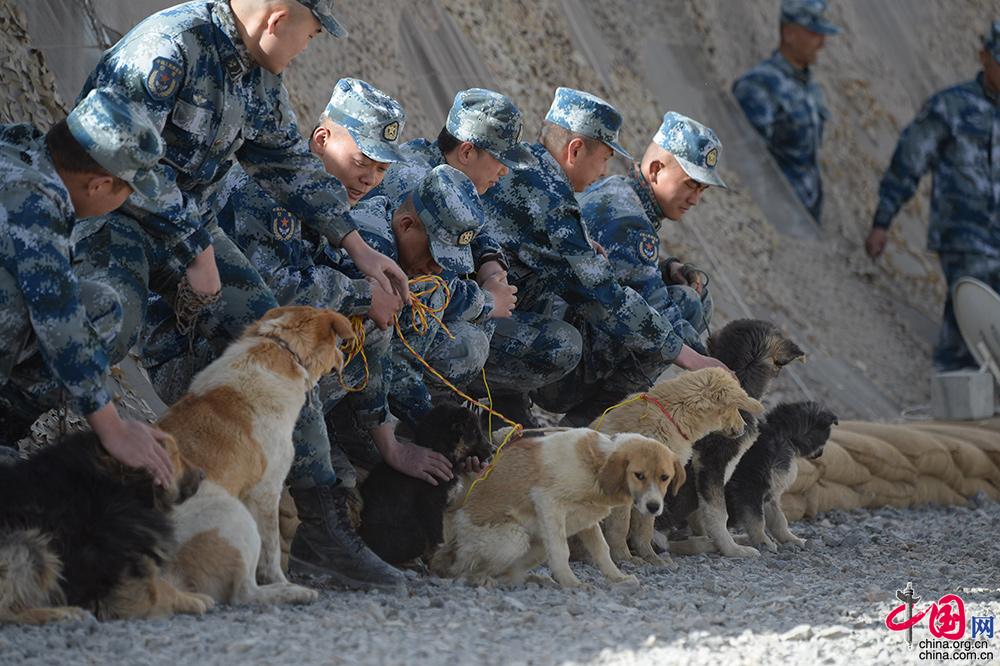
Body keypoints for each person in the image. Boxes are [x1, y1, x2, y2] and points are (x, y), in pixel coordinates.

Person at [72, 0, 410, 590]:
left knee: (280, 344)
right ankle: (34, 453)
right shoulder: (172, 47)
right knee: (107, 320)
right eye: (309, 34)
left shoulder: (258, 76)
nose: (306, 48)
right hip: (117, 218)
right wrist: (194, 247)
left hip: (193, 233)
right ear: (278, 19)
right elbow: (115, 152)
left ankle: (318, 526)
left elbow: (288, 164)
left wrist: (360, 248)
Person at [481, 87, 728, 425]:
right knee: (674, 312)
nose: (606, 167)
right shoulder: (563, 205)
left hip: (489, 312)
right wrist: (692, 358)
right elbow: (608, 299)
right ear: (576, 149)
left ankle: (505, 408)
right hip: (481, 329)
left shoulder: (530, 169)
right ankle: (585, 426)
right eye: (606, 156)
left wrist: (665, 267)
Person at [0, 88, 173, 483]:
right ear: (98, 185)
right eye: (127, 192)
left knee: (96, 304)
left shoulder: (19, 146)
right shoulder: (35, 204)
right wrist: (113, 429)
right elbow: (58, 320)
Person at [365, 88, 533, 427]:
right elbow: (432, 289)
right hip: (380, 315)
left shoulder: (436, 163)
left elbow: (478, 229)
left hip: (393, 311)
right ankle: (397, 424)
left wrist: (492, 266)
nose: (504, 173)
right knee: (470, 343)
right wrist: (487, 301)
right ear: (468, 151)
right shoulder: (416, 179)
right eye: (500, 160)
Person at [322, 165, 487, 481]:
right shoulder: (372, 249)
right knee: (382, 464)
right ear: (407, 224)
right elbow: (380, 359)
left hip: (360, 374)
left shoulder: (415, 249)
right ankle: (327, 434)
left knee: (468, 340)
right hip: (314, 378)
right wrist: (436, 428)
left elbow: (448, 294)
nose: (438, 269)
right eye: (436, 255)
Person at [568, 111, 727, 423]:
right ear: (656, 169)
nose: (695, 199)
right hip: (565, 359)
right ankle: (590, 420)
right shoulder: (630, 221)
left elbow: (627, 269)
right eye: (691, 185)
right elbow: (657, 311)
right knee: (686, 304)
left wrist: (669, 267)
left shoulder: (620, 190)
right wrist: (715, 371)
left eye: (702, 190)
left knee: (692, 295)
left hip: (572, 329)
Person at [866, 20, 1000, 372]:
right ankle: (954, 401)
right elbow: (909, 162)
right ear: (984, 56)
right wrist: (883, 221)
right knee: (968, 318)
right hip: (966, 238)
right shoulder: (950, 108)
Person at [732, 0, 840, 221]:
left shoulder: (807, 86)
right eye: (813, 33)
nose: (821, 43)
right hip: (779, 218)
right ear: (789, 34)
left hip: (804, 216)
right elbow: (746, 161)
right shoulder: (760, 85)